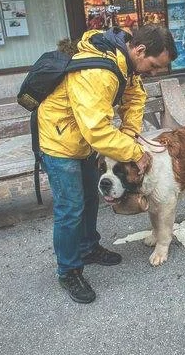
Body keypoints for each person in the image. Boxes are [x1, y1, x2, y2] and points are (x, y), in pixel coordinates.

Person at [37, 25, 177, 304]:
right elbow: (97, 129)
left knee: (90, 200)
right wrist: (133, 152)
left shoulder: (126, 63)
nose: (152, 73)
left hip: (84, 143)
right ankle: (68, 271)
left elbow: (135, 99)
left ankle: (88, 248)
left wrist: (127, 136)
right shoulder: (98, 72)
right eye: (153, 65)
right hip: (59, 142)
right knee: (70, 209)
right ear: (139, 50)